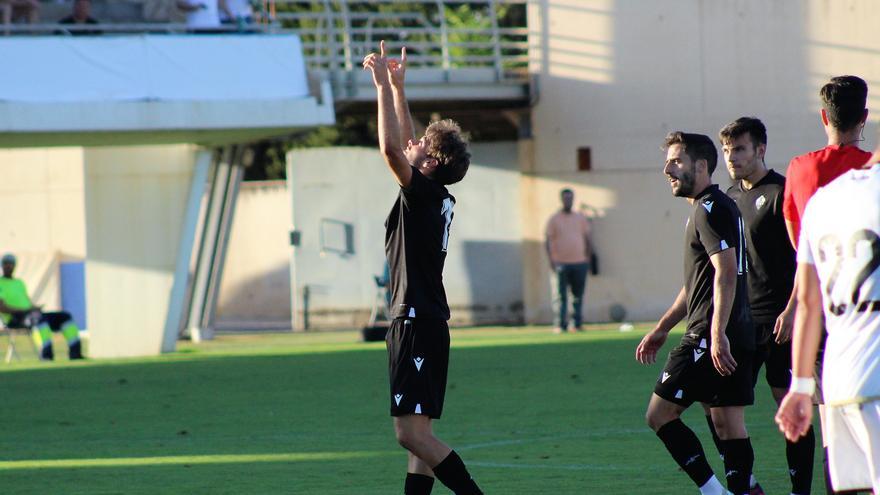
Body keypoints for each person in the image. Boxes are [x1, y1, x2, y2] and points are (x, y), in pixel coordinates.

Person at [362, 41, 482, 495]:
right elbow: (410, 144)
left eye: (423, 146)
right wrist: (397, 87)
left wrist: (379, 90)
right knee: (420, 440)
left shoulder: (424, 194)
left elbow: (394, 149)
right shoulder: (436, 196)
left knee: (410, 435)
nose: (415, 143)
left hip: (414, 320)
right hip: (429, 321)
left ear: (430, 163)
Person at [636, 132, 755, 495]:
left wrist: (716, 334)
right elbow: (697, 284)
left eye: (676, 161)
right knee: (727, 423)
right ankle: (745, 490)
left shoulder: (709, 208)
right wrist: (662, 328)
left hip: (709, 334)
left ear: (701, 166)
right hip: (735, 332)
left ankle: (715, 492)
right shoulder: (714, 206)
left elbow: (725, 271)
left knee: (659, 416)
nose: (667, 169)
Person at [782, 75, 871, 495]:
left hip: (836, 346)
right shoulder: (870, 176)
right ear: (865, 118)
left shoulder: (803, 175)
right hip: (870, 337)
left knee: (843, 473)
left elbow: (800, 253)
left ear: (823, 117)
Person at [722, 117, 813, 495]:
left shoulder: (781, 191)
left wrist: (793, 308)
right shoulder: (726, 198)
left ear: (760, 149)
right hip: (741, 323)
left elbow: (805, 257)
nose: (732, 157)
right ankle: (749, 486)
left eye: (739, 149)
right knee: (719, 409)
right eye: (727, 151)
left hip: (781, 319)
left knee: (789, 407)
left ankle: (800, 491)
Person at [0, 253, 83, 360]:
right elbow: (2, 307)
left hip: (31, 314)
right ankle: (46, 356)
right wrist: (24, 310)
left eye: (11, 264)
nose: (8, 266)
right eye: (6, 263)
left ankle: (75, 354)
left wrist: (34, 308)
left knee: (65, 317)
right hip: (15, 319)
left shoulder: (19, 283)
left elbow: (26, 302)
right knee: (39, 320)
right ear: (2, 265)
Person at [545, 188, 593, 333]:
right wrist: (552, 261)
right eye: (566, 198)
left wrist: (588, 258)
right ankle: (560, 324)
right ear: (561, 199)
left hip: (580, 262)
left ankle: (576, 324)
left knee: (578, 295)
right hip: (561, 263)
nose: (568, 200)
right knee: (560, 296)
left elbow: (587, 239)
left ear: (573, 199)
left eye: (570, 198)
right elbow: (548, 241)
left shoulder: (580, 218)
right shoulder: (554, 219)